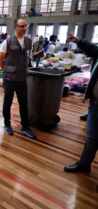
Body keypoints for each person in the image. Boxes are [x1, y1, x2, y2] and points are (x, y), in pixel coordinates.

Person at [64, 33, 98, 191]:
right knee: (91, 138)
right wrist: (79, 41)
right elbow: (92, 49)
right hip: (96, 104)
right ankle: (84, 164)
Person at [0, 18, 36, 139]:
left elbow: (27, 57)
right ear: (15, 27)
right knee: (7, 102)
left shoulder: (29, 42)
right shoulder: (7, 42)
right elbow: (0, 59)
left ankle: (25, 127)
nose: (24, 28)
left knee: (23, 103)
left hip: (22, 79)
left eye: (26, 26)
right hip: (9, 78)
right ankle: (6, 124)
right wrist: (6, 71)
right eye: (21, 26)